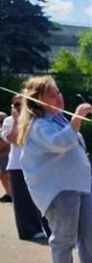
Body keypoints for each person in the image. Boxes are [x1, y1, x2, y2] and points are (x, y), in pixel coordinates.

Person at [18, 76, 92, 263]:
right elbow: (61, 144)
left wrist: (88, 179)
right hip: (59, 190)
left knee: (89, 234)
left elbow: (75, 150)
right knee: (64, 237)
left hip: (78, 187)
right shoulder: (38, 125)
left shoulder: (59, 119)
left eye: (58, 92)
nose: (58, 97)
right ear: (37, 100)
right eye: (52, 94)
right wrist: (78, 116)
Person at [3, 97, 48, 240]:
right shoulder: (9, 121)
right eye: (16, 104)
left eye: (22, 104)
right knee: (23, 201)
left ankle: (48, 228)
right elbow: (14, 138)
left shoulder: (37, 120)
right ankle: (28, 230)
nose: (19, 107)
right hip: (18, 165)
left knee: (43, 198)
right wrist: (16, 120)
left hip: (37, 164)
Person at [0, 110, 11, 202]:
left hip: (5, 155)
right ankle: (8, 193)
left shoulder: (6, 128)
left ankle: (10, 194)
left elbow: (5, 144)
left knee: (6, 175)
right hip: (2, 156)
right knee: (3, 175)